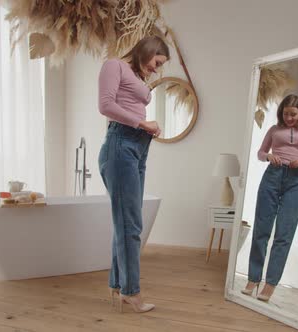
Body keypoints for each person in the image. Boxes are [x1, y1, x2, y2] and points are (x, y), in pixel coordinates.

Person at [97, 35, 169, 313]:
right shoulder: (113, 65)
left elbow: (132, 105)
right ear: (148, 50)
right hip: (121, 146)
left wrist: (147, 127)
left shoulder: (134, 76)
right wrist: (142, 122)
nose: (156, 68)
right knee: (131, 226)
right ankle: (131, 292)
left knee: (127, 223)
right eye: (157, 61)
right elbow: (105, 106)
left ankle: (118, 284)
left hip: (137, 147)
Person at [241, 94, 298, 302]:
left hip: (296, 182)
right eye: (285, 113)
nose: (289, 117)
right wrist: (268, 156)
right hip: (272, 177)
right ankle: (253, 278)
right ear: (281, 113)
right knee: (261, 230)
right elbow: (260, 152)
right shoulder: (274, 130)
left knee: (284, 234)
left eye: (293, 114)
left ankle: (271, 283)